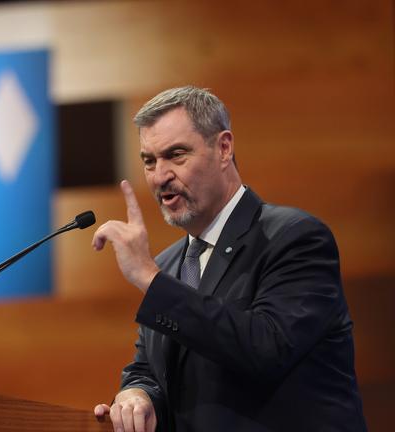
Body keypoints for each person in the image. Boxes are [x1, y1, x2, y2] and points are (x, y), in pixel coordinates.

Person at [91, 86, 367, 432]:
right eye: (149, 161)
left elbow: (265, 349)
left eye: (176, 155)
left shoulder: (296, 238)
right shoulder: (170, 264)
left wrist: (149, 277)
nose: (160, 176)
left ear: (223, 148)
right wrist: (137, 395)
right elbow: (152, 367)